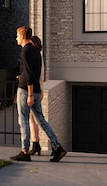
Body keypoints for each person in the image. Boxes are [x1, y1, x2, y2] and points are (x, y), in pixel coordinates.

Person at [11, 26, 67, 163]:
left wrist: (29, 94)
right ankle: (57, 147)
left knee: (23, 120)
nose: (16, 38)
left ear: (23, 36)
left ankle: (25, 151)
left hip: (26, 91)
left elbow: (30, 74)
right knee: (41, 120)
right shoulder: (36, 52)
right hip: (36, 90)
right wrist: (36, 90)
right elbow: (35, 73)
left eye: (17, 35)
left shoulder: (25, 52)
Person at [29, 35, 43, 155]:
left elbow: (38, 75)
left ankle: (35, 143)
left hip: (33, 91)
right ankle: (35, 143)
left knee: (33, 119)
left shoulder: (35, 56)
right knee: (34, 118)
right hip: (36, 90)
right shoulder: (38, 56)